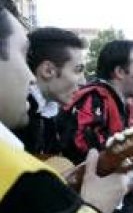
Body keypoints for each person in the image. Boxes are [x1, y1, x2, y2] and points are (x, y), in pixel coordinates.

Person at [0, 0, 128, 213]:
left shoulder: (52, 117)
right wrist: (91, 212)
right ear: (48, 70)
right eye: (22, 57)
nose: (28, 74)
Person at [58, 39, 133, 213]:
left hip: (118, 201)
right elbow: (85, 149)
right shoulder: (94, 97)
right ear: (119, 71)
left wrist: (132, 175)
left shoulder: (126, 103)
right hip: (90, 204)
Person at [13, 27, 85, 155]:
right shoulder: (15, 117)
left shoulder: (46, 113)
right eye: (78, 70)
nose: (83, 82)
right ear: (48, 70)